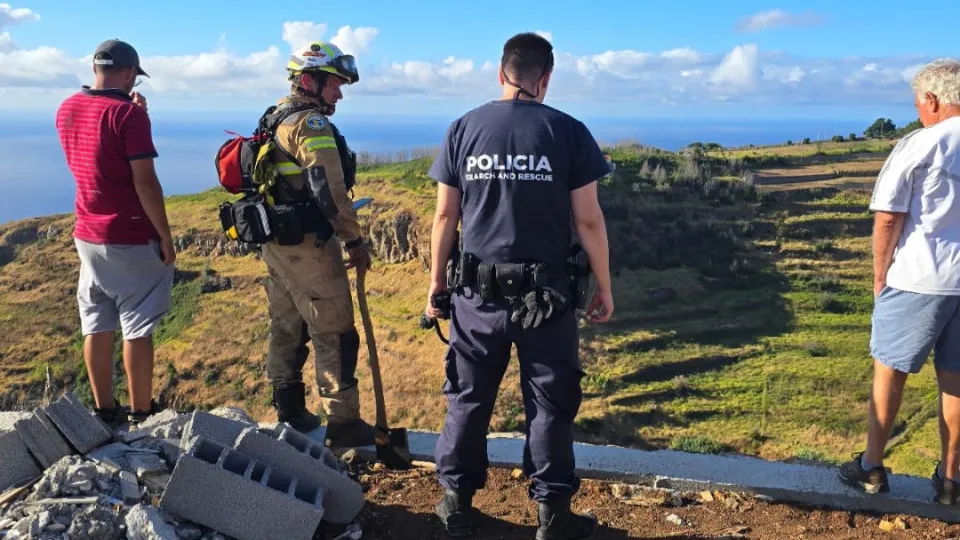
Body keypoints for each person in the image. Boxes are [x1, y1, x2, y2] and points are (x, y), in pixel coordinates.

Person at [425, 32, 614, 540]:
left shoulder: (463, 128)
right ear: (546, 79)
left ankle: (457, 505)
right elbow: (590, 222)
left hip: (475, 298)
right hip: (547, 299)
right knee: (550, 402)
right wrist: (604, 286)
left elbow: (445, 216)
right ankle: (552, 516)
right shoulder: (569, 132)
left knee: (467, 397)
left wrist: (435, 284)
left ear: (500, 72)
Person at [838, 58, 960, 505]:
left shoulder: (921, 144)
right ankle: (950, 479)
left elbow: (889, 216)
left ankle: (871, 466)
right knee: (957, 379)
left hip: (919, 277)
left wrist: (879, 277)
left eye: (917, 103)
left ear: (932, 100)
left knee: (889, 371)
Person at [260, 41, 375, 449]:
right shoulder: (311, 126)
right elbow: (331, 193)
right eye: (334, 84)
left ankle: (290, 409)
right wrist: (355, 241)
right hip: (309, 247)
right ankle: (343, 422)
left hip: (277, 245)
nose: (339, 93)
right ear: (310, 81)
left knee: (287, 326)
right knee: (336, 332)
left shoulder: (275, 116)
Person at [55, 39, 173, 426]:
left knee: (96, 320)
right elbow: (146, 184)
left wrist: (135, 115)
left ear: (95, 69)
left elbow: (96, 156)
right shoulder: (129, 116)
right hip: (131, 236)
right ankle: (141, 413)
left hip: (87, 233)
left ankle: (105, 411)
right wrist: (166, 238)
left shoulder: (67, 108)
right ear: (127, 73)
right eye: (134, 75)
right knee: (137, 324)